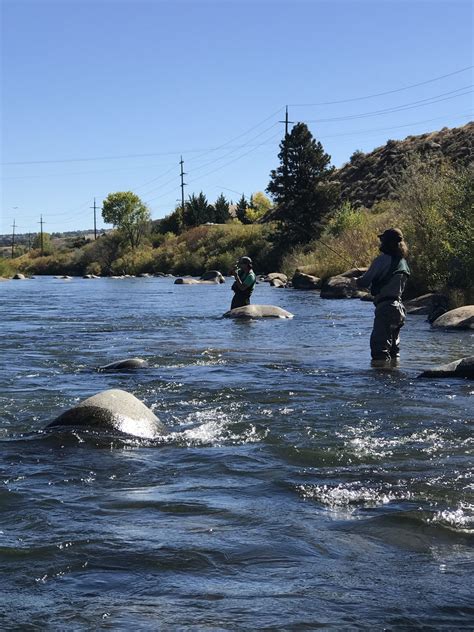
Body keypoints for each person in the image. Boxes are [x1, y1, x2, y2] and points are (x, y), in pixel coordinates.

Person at [354, 228, 410, 363]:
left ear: (387, 242)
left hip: (385, 308)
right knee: (394, 350)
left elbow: (364, 282)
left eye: (382, 240)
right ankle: (394, 376)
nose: (381, 243)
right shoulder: (403, 263)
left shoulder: (382, 260)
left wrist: (356, 280)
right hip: (399, 310)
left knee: (379, 350)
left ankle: (380, 381)